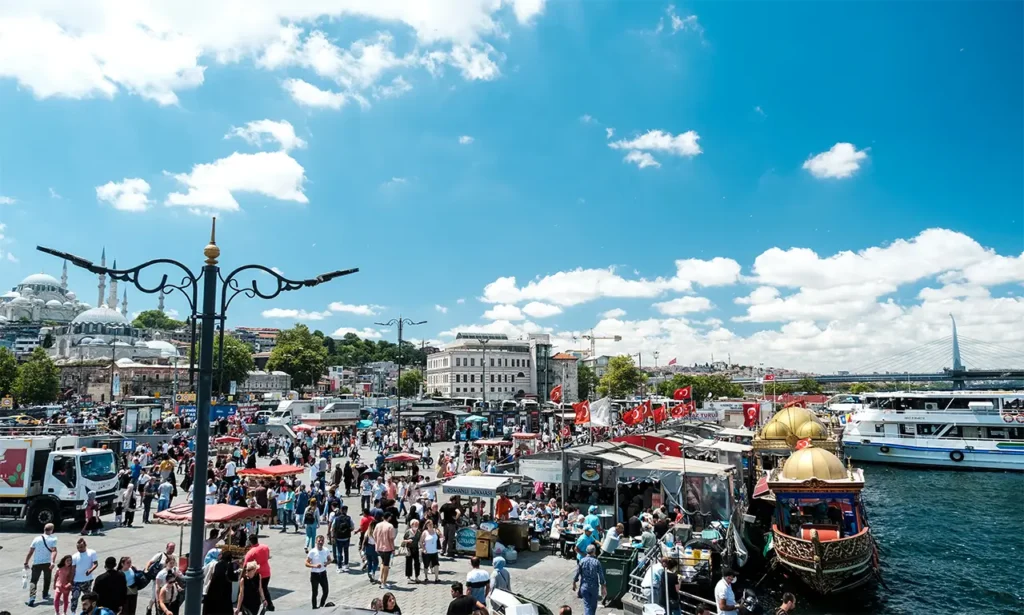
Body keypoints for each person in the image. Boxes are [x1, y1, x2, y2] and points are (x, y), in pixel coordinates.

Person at [24, 522, 58, 607]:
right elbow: (54, 551)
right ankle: (45, 594)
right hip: (47, 563)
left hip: (37, 563)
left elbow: (30, 552)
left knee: (33, 581)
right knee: (47, 579)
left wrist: (26, 562)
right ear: (52, 530)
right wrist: (53, 561)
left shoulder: (36, 539)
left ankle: (32, 598)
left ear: (44, 529)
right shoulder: (53, 539)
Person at [241, 534, 275, 612]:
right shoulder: (265, 547)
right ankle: (269, 604)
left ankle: (263, 604)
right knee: (265, 588)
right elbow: (267, 557)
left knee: (257, 590)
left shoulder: (250, 553)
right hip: (267, 571)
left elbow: (245, 565)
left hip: (257, 574)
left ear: (249, 542)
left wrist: (242, 576)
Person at [572, 544, 607, 615]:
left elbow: (577, 573)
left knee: (587, 605)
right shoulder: (596, 562)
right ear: (594, 551)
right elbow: (601, 575)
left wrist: (574, 583)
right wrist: (603, 587)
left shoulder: (582, 561)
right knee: (593, 606)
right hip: (594, 587)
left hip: (584, 586)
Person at [202, 549, 238, 615]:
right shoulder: (228, 565)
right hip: (224, 591)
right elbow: (233, 577)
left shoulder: (217, 564)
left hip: (213, 590)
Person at [70, 538, 99, 614]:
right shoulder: (74, 556)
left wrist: (90, 570)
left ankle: (90, 611)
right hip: (76, 581)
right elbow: (73, 569)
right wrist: (71, 580)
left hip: (87, 580)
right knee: (74, 597)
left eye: (81, 547)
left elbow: (95, 563)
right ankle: (73, 612)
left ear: (85, 545)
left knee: (89, 598)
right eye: (78, 547)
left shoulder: (92, 553)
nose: (79, 549)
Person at [305, 534, 332, 609]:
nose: (320, 542)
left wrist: (327, 563)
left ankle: (321, 605)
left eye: (322, 541)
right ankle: (314, 607)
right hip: (315, 574)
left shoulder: (326, 550)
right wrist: (314, 565)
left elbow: (330, 559)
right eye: (319, 541)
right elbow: (306, 563)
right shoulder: (312, 552)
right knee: (315, 592)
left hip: (323, 573)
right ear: (316, 542)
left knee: (326, 591)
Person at [373, 511, 397, 589]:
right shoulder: (390, 526)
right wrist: (393, 548)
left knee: (383, 562)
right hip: (387, 548)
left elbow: (374, 535)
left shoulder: (378, 525)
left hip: (379, 547)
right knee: (386, 565)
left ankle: (380, 577)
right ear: (389, 517)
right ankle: (384, 582)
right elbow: (391, 538)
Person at [330, 504, 354, 573]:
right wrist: (348, 531)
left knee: (339, 552)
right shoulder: (349, 518)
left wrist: (332, 536)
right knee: (346, 551)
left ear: (341, 510)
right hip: (346, 538)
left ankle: (339, 567)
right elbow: (352, 527)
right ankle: (346, 565)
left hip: (338, 537)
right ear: (346, 511)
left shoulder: (336, 519)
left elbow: (332, 528)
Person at [419, 518, 441, 583]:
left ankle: (437, 578)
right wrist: (424, 549)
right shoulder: (425, 532)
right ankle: (426, 577)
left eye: (431, 524)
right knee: (426, 565)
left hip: (434, 551)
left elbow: (441, 536)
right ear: (426, 525)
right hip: (427, 552)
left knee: (436, 565)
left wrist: (439, 533)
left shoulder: (435, 531)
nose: (430, 525)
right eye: (429, 524)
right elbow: (420, 542)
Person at [403, 519, 422, 583]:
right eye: (415, 524)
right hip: (409, 549)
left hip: (416, 549)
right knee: (409, 563)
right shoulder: (408, 532)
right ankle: (408, 577)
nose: (417, 525)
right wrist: (408, 541)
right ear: (411, 525)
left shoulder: (419, 532)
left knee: (417, 563)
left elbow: (420, 540)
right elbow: (403, 540)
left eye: (417, 524)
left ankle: (417, 577)